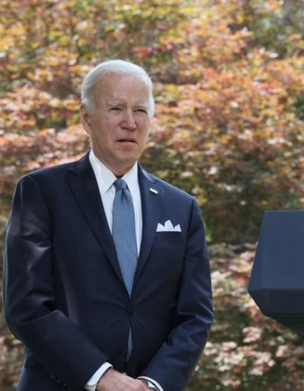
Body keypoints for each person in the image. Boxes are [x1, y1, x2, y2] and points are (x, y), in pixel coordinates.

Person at [3, 60, 213, 391]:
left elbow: (195, 316)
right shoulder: (42, 193)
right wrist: (101, 377)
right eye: (116, 108)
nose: (130, 123)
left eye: (140, 110)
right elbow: (26, 303)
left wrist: (152, 384)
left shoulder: (182, 207)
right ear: (87, 117)